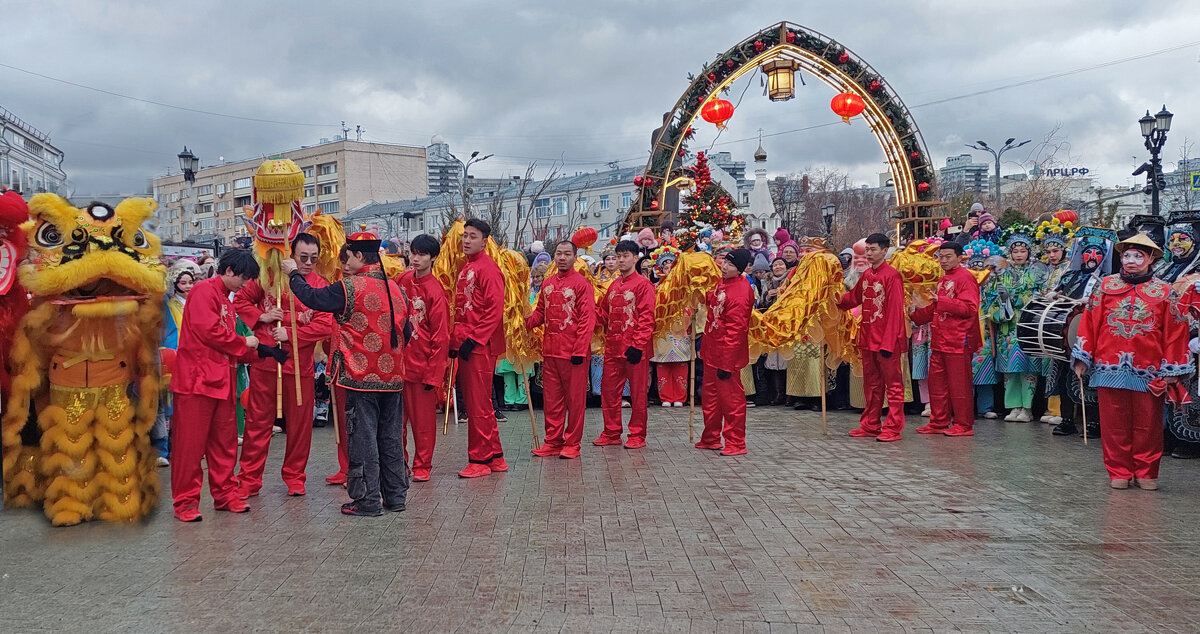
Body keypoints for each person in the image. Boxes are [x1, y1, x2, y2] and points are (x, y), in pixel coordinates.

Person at [285, 232, 410, 515]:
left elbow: (313, 298)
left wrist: (294, 274)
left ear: (358, 255)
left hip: (360, 375)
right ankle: (396, 496)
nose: (344, 262)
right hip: (392, 379)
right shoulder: (395, 288)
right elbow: (408, 332)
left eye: (347, 256)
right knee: (390, 437)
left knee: (363, 438)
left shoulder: (349, 287)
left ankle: (367, 501)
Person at [1072, 233, 1191, 490]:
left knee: (1148, 424)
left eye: (1138, 256)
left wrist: (1172, 367)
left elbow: (1175, 332)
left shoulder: (1165, 292)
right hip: (1108, 365)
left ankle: (1146, 471)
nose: (1131, 261)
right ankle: (1119, 470)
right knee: (1114, 423)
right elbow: (1089, 325)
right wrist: (1082, 356)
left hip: (1150, 369)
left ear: (1150, 259)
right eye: (1127, 256)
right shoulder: (1104, 287)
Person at [171, 249, 280, 522]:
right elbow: (210, 332)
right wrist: (245, 344)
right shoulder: (203, 292)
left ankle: (224, 494)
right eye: (243, 278)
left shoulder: (225, 300)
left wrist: (263, 351)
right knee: (190, 447)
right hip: (197, 382)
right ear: (228, 271)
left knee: (225, 444)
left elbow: (230, 342)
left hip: (221, 381)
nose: (245, 284)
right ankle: (185, 502)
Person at [233, 233, 333, 498]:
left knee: (300, 427)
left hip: (300, 368)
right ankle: (249, 478)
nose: (308, 263)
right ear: (291, 254)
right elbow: (240, 300)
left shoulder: (319, 285)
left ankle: (295, 476)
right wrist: (262, 316)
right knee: (257, 424)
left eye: (313, 258)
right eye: (303, 257)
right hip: (267, 363)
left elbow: (325, 323)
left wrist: (293, 333)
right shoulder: (270, 276)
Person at [526, 239, 596, 459]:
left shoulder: (582, 284)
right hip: (551, 350)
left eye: (567, 254)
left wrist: (579, 349)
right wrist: (522, 322)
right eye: (559, 254)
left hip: (573, 353)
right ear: (554, 257)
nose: (563, 257)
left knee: (575, 400)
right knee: (552, 400)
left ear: (575, 257)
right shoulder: (547, 284)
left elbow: (587, 319)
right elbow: (540, 314)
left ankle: (572, 443)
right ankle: (553, 441)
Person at [452, 219, 508, 478]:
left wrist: (475, 339)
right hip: (467, 342)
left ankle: (480, 458)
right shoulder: (467, 268)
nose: (466, 240)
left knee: (477, 405)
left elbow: (494, 310)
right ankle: (495, 456)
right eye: (464, 236)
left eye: (472, 236)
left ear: (484, 241)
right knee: (481, 403)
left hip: (479, 346)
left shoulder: (488, 269)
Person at [837, 233, 907, 441]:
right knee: (872, 385)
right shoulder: (867, 275)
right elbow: (852, 298)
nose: (868, 253)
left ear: (885, 251)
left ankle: (893, 427)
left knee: (893, 386)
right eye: (867, 250)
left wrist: (888, 342)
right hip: (867, 339)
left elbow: (895, 311)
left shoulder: (892, 276)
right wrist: (832, 297)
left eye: (873, 249)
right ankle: (870, 424)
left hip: (887, 341)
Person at [911, 242, 981, 436]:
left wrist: (941, 301)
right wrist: (912, 315)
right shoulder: (943, 279)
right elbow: (935, 308)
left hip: (959, 339)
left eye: (948, 256)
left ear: (960, 258)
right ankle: (939, 421)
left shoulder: (966, 278)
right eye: (941, 256)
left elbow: (970, 308)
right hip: (940, 338)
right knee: (937, 384)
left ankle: (963, 424)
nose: (943, 260)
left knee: (960, 385)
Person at [397, 234, 449, 482]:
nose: (415, 259)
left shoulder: (435, 291)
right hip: (397, 363)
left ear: (433, 258)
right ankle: (399, 462)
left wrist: (434, 373)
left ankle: (422, 464)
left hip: (421, 364)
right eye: (413, 253)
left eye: (422, 255)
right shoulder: (403, 280)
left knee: (423, 422)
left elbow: (441, 336)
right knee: (396, 421)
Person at [595, 239, 656, 448]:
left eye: (625, 256)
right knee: (609, 392)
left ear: (636, 258)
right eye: (618, 256)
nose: (621, 260)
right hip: (613, 346)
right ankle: (611, 432)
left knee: (638, 394)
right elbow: (603, 313)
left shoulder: (643, 285)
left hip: (634, 349)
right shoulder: (613, 285)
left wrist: (638, 345)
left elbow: (647, 317)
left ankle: (637, 434)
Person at [696, 249, 755, 455]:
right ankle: (711, 437)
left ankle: (736, 441)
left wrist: (727, 363)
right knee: (710, 398)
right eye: (724, 263)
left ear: (739, 269)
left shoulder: (741, 290)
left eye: (730, 265)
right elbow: (713, 301)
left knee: (731, 400)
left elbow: (737, 329)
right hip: (711, 350)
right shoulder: (722, 283)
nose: (724, 266)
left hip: (726, 355)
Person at [991, 227, 1046, 422]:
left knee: (1028, 368)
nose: (1019, 254)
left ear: (1029, 252)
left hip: (1028, 325)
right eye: (1015, 251)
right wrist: (1000, 307)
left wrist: (1017, 298)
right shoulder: (1001, 274)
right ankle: (1013, 407)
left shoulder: (1038, 272)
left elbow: (1041, 296)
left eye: (1023, 251)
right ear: (1009, 253)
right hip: (1007, 327)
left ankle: (1028, 408)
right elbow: (992, 299)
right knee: (1010, 370)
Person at [156, 259, 201, 466]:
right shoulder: (168, 305)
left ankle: (180, 446)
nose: (189, 286)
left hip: (183, 359)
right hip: (161, 359)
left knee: (176, 407)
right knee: (160, 408)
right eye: (183, 282)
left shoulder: (193, 303)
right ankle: (161, 448)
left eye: (191, 281)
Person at [649, 247, 692, 407]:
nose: (669, 270)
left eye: (672, 267)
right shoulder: (655, 288)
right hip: (662, 331)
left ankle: (680, 396)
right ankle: (665, 396)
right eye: (665, 267)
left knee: (681, 365)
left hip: (681, 330)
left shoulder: (684, 289)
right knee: (662, 366)